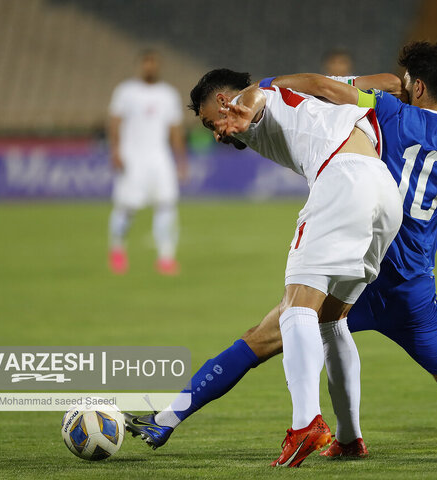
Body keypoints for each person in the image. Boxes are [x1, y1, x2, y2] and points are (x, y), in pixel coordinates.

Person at [126, 41, 437, 460]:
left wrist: (272, 83)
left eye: (406, 80)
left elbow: (329, 88)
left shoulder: (388, 112)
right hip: (413, 287)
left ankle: (174, 418)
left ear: (416, 87)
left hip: (360, 261)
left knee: (263, 338)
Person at [125, 68, 404, 467]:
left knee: (296, 309)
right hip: (382, 192)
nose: (218, 133)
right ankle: (348, 437)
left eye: (213, 122)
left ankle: (306, 423)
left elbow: (256, 97)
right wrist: (402, 85)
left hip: (343, 182)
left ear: (224, 101)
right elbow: (377, 81)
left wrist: (243, 110)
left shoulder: (262, 93)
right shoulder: (298, 93)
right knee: (330, 321)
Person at [107, 49, 188, 275]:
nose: (149, 67)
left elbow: (175, 129)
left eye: (153, 63)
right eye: (146, 63)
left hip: (159, 156)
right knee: (126, 206)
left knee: (167, 203)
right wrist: (115, 151)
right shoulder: (125, 92)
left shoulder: (168, 94)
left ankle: (165, 258)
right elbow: (115, 122)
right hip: (132, 156)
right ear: (140, 65)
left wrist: (180, 159)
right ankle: (117, 250)